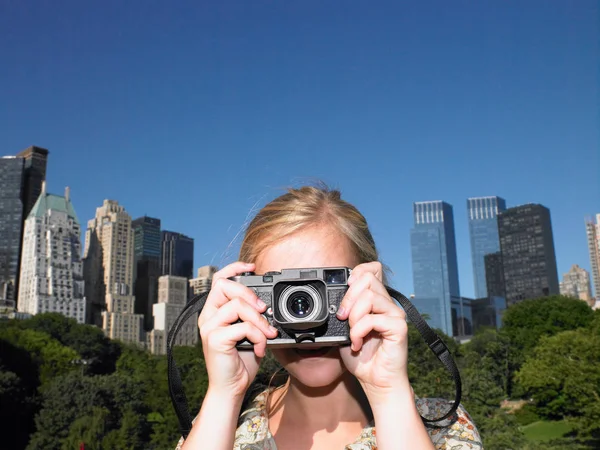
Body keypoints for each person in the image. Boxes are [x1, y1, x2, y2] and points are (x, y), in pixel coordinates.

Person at [176, 185, 482, 449]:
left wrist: (388, 393)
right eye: (283, 293)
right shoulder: (214, 429)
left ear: (373, 288)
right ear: (247, 296)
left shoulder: (443, 426)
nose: (305, 316)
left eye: (325, 288)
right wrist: (225, 394)